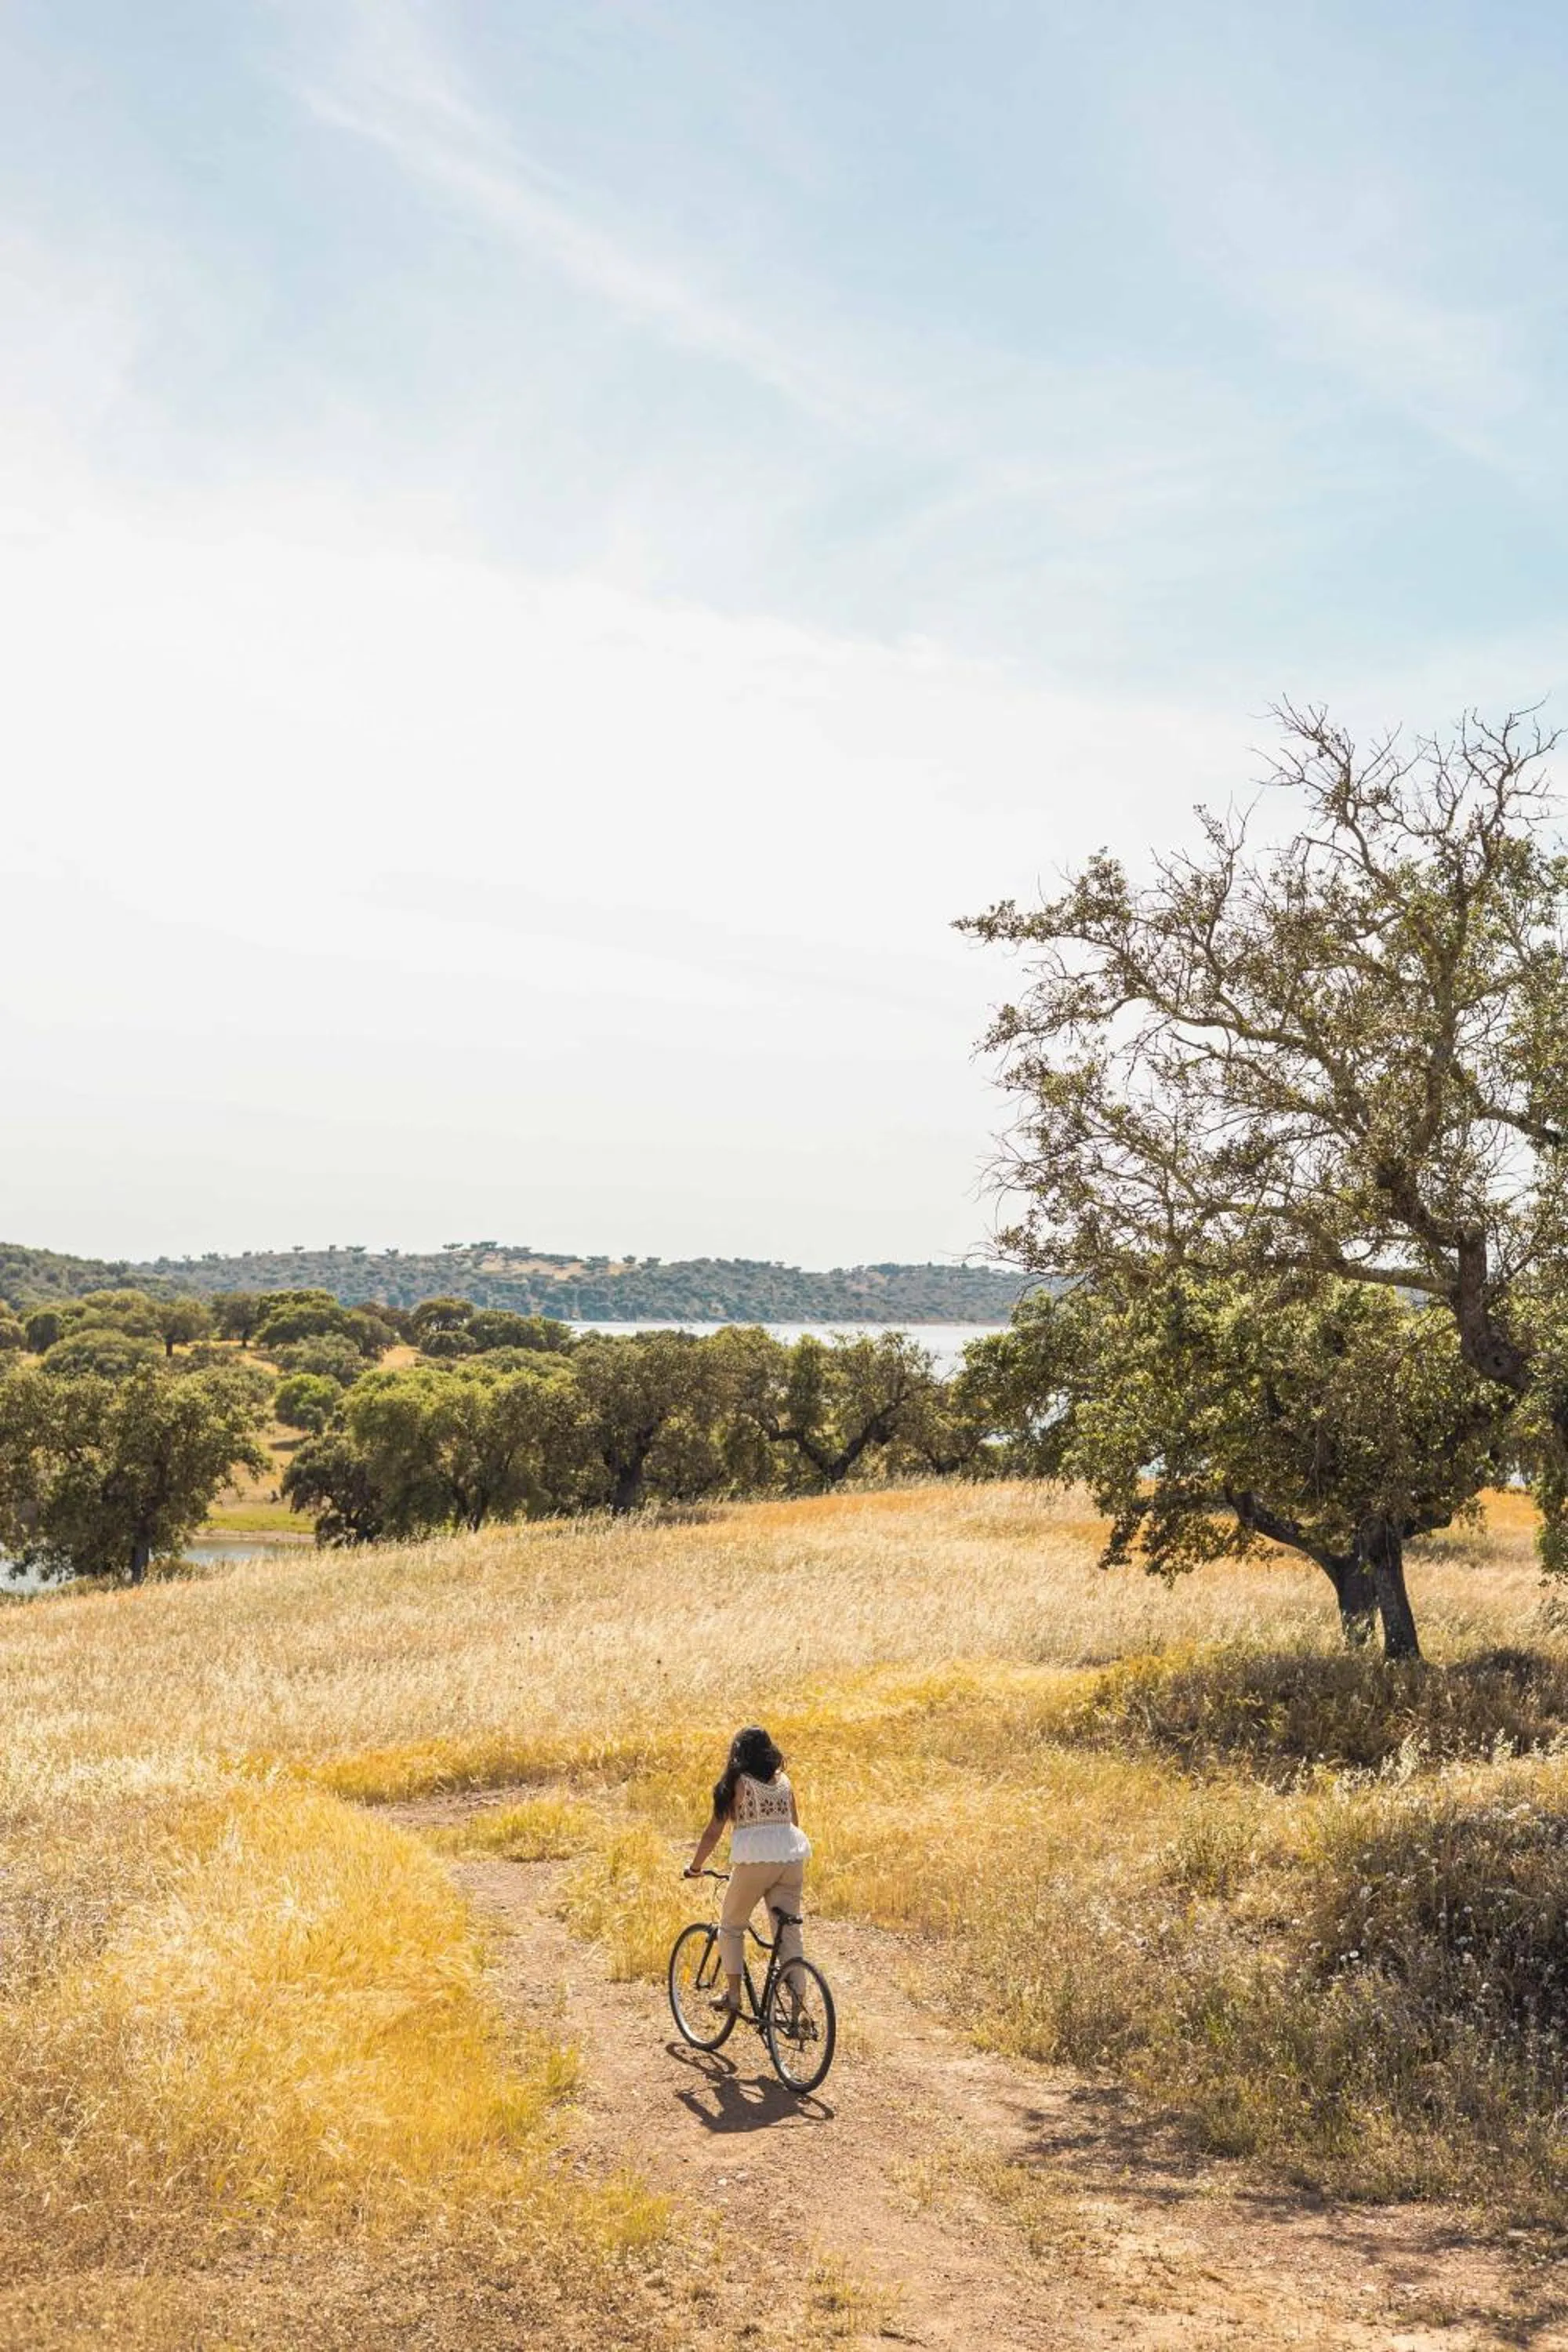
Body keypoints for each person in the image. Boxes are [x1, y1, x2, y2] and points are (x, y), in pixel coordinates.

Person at [684, 1724, 811, 2014]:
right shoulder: (784, 1782)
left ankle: (732, 1996)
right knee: (789, 1932)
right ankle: (798, 2011)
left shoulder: (738, 1784)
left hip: (756, 1863)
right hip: (791, 1860)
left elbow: (712, 1833)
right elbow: (794, 1822)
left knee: (730, 1926)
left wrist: (695, 1867)